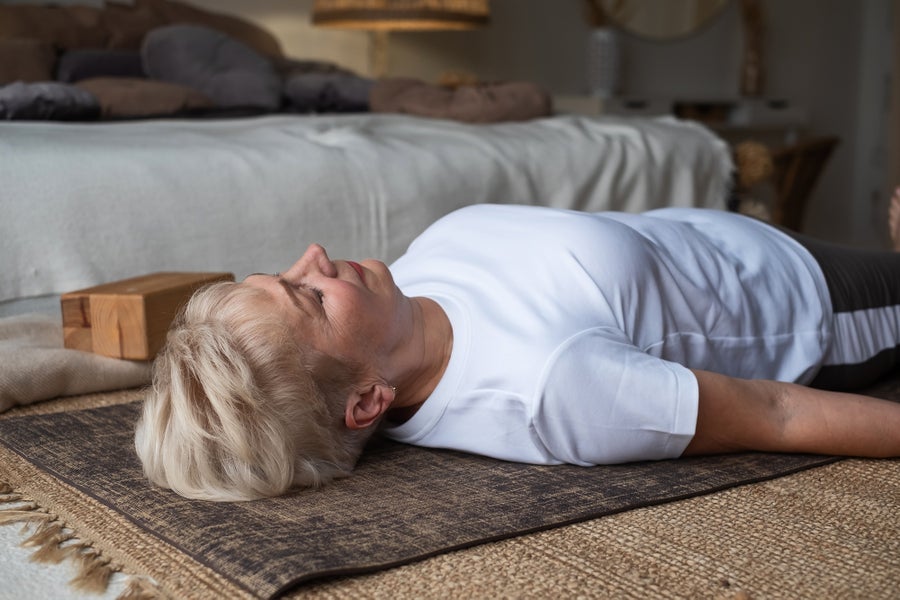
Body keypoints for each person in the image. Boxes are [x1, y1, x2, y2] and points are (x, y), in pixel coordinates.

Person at [134, 192, 900, 502]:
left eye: (286, 273)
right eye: (309, 296)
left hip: (735, 240)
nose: (316, 255)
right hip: (812, 303)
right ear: (367, 399)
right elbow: (774, 415)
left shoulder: (403, 298)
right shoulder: (548, 389)